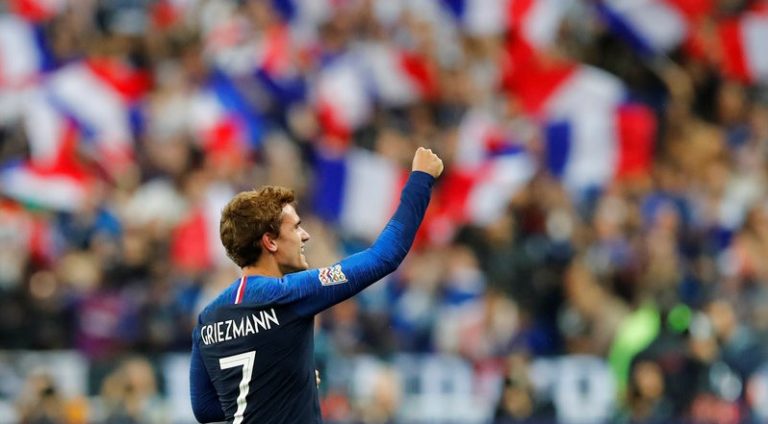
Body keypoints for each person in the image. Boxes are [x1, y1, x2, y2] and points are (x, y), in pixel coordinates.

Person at [189, 147, 443, 423]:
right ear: (270, 242)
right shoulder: (288, 293)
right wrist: (420, 178)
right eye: (295, 227)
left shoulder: (208, 318)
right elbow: (384, 256)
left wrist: (285, 383)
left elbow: (204, 408)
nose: (305, 235)